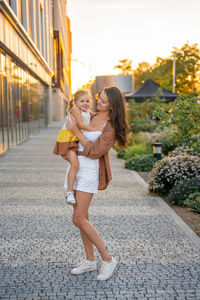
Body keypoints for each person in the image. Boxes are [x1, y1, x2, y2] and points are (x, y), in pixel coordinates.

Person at [64, 86, 128, 281]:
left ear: (112, 105)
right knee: (82, 216)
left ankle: (108, 259)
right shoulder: (90, 115)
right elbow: (72, 123)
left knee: (78, 218)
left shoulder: (110, 127)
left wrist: (76, 130)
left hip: (90, 172)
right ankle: (90, 260)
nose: (98, 101)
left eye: (104, 101)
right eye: (99, 98)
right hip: (75, 170)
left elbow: (95, 151)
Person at [53, 89, 97, 206]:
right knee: (75, 165)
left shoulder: (87, 112)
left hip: (73, 141)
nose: (85, 103)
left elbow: (97, 116)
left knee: (75, 165)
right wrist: (97, 131)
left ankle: (74, 190)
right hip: (67, 141)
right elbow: (82, 125)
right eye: (82, 101)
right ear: (75, 103)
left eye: (88, 101)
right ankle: (69, 192)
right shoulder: (75, 110)